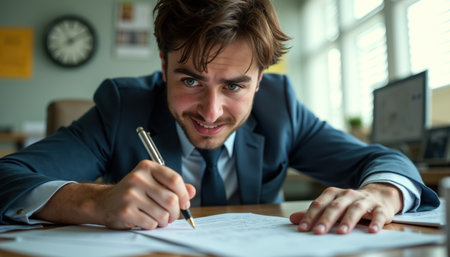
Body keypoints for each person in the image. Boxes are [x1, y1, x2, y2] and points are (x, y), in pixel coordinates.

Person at [0, 0, 439, 235]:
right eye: (190, 81)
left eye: (234, 86)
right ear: (163, 63)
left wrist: (384, 193)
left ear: (261, 78)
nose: (210, 113)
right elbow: (9, 176)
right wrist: (95, 202)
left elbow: (383, 160)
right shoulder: (122, 107)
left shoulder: (280, 107)